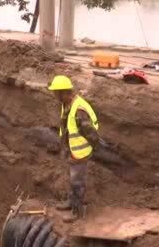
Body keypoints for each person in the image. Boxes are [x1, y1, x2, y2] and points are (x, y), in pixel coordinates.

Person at [48, 75, 101, 223]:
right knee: (73, 179)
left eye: (56, 93)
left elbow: (91, 133)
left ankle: (77, 211)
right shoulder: (67, 105)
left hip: (80, 152)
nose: (54, 96)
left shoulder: (78, 110)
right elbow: (67, 128)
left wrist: (93, 148)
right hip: (73, 151)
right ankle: (71, 203)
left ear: (64, 92)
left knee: (77, 181)